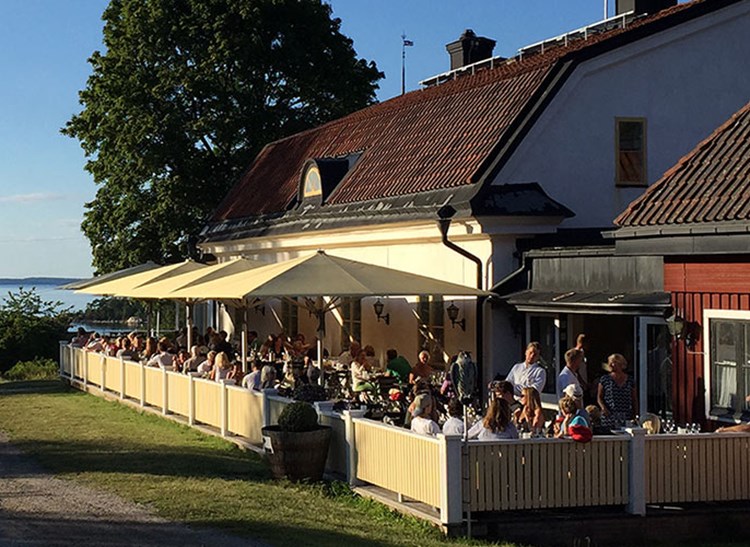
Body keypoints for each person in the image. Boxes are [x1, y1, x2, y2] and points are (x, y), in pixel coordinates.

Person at [597, 353, 637, 428]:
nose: (612, 365)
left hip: (625, 415)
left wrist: (635, 415)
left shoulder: (630, 380)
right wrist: (604, 408)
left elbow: (634, 399)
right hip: (609, 416)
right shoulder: (604, 379)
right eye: (610, 363)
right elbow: (599, 397)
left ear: (621, 364)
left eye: (614, 362)